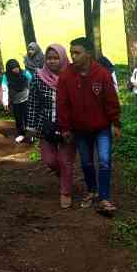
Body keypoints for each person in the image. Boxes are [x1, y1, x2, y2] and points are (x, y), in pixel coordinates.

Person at [57, 37, 121, 216]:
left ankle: (104, 198)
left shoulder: (102, 74)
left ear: (88, 53)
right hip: (79, 129)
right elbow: (62, 104)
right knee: (86, 162)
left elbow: (111, 101)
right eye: (71, 53)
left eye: (77, 53)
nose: (73, 57)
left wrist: (115, 123)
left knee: (104, 160)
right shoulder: (66, 76)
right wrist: (65, 128)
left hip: (102, 128)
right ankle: (92, 191)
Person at [26, 43, 78, 209]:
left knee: (65, 160)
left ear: (63, 58)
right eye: (49, 58)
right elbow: (33, 103)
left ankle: (65, 193)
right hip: (45, 126)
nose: (52, 61)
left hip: (68, 127)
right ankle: (63, 175)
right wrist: (30, 127)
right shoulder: (38, 78)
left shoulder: (73, 76)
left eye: (56, 58)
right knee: (49, 160)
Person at [0, 59, 33, 143]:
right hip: (15, 101)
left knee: (27, 117)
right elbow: (4, 89)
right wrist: (5, 101)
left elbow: (32, 82)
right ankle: (21, 134)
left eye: (17, 67)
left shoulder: (25, 73)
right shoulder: (6, 77)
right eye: (14, 68)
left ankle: (30, 135)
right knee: (18, 118)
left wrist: (33, 95)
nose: (16, 69)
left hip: (26, 99)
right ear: (9, 69)